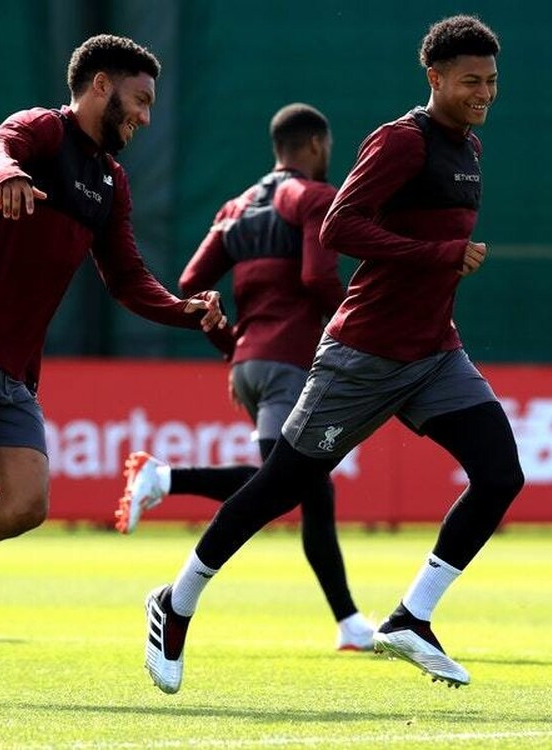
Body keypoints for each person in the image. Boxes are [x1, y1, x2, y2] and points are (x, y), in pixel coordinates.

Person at [143, 14, 522, 694]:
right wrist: (439, 255)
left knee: (500, 474)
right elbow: (343, 224)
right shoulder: (401, 143)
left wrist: (437, 272)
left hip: (433, 351)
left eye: (492, 81)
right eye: (470, 81)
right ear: (433, 79)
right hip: (363, 353)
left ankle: (412, 616)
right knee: (279, 487)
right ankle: (176, 601)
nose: (484, 93)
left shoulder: (469, 149)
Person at [0, 35, 228, 569]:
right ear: (101, 86)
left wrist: (179, 309)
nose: (144, 118)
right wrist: (4, 173)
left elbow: (127, 278)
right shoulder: (46, 130)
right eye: (141, 101)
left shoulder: (112, 181)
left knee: (26, 504)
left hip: (11, 369)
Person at [115, 103, 374, 652]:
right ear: (315, 147)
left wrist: (225, 336)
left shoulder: (236, 208)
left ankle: (349, 623)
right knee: (284, 483)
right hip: (289, 366)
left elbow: (190, 281)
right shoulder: (313, 198)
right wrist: (361, 324)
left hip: (248, 364)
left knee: (313, 490)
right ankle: (165, 479)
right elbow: (315, 274)